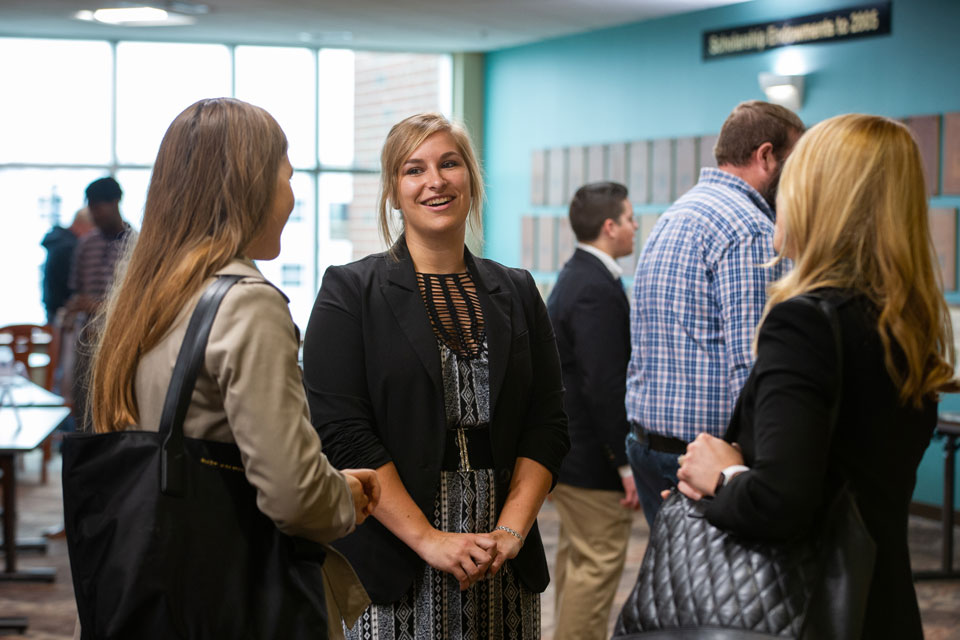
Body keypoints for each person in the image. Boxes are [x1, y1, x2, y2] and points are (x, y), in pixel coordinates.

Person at [86, 97, 380, 638]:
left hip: (147, 589)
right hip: (233, 597)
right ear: (252, 186)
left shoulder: (143, 297)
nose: (293, 197)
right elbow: (294, 498)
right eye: (288, 177)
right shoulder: (247, 303)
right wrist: (344, 496)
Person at [672, 113, 957, 639]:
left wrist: (722, 477)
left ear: (821, 199)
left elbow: (780, 502)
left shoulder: (805, 322)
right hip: (880, 602)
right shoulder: (905, 323)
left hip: (806, 609)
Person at [302, 112, 569, 639]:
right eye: (413, 170)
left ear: (470, 176)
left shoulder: (517, 290)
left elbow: (548, 422)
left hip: (502, 557)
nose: (435, 181)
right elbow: (342, 433)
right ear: (393, 192)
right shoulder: (349, 292)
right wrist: (429, 539)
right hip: (395, 556)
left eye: (450, 163)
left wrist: (512, 532)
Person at [625, 100, 804, 526]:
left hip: (650, 444)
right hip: (703, 459)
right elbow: (756, 360)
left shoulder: (677, 213)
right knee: (723, 591)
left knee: (679, 585)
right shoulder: (752, 229)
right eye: (796, 163)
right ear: (765, 156)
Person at [545, 181, 639, 640]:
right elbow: (604, 385)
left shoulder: (579, 275)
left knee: (578, 562)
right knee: (597, 564)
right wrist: (623, 462)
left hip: (573, 454)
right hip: (591, 458)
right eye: (629, 217)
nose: (635, 226)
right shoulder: (593, 288)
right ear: (609, 227)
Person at [66, 176, 131, 429]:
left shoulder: (137, 244)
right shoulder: (85, 245)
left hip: (120, 340)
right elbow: (75, 291)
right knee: (83, 408)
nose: (94, 212)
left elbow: (136, 301)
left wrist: (96, 306)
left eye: (98, 205)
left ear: (115, 202)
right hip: (86, 338)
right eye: (90, 206)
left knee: (115, 409)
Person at [41, 207, 93, 325]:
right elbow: (72, 285)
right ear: (84, 225)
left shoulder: (58, 240)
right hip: (63, 311)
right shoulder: (69, 247)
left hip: (53, 308)